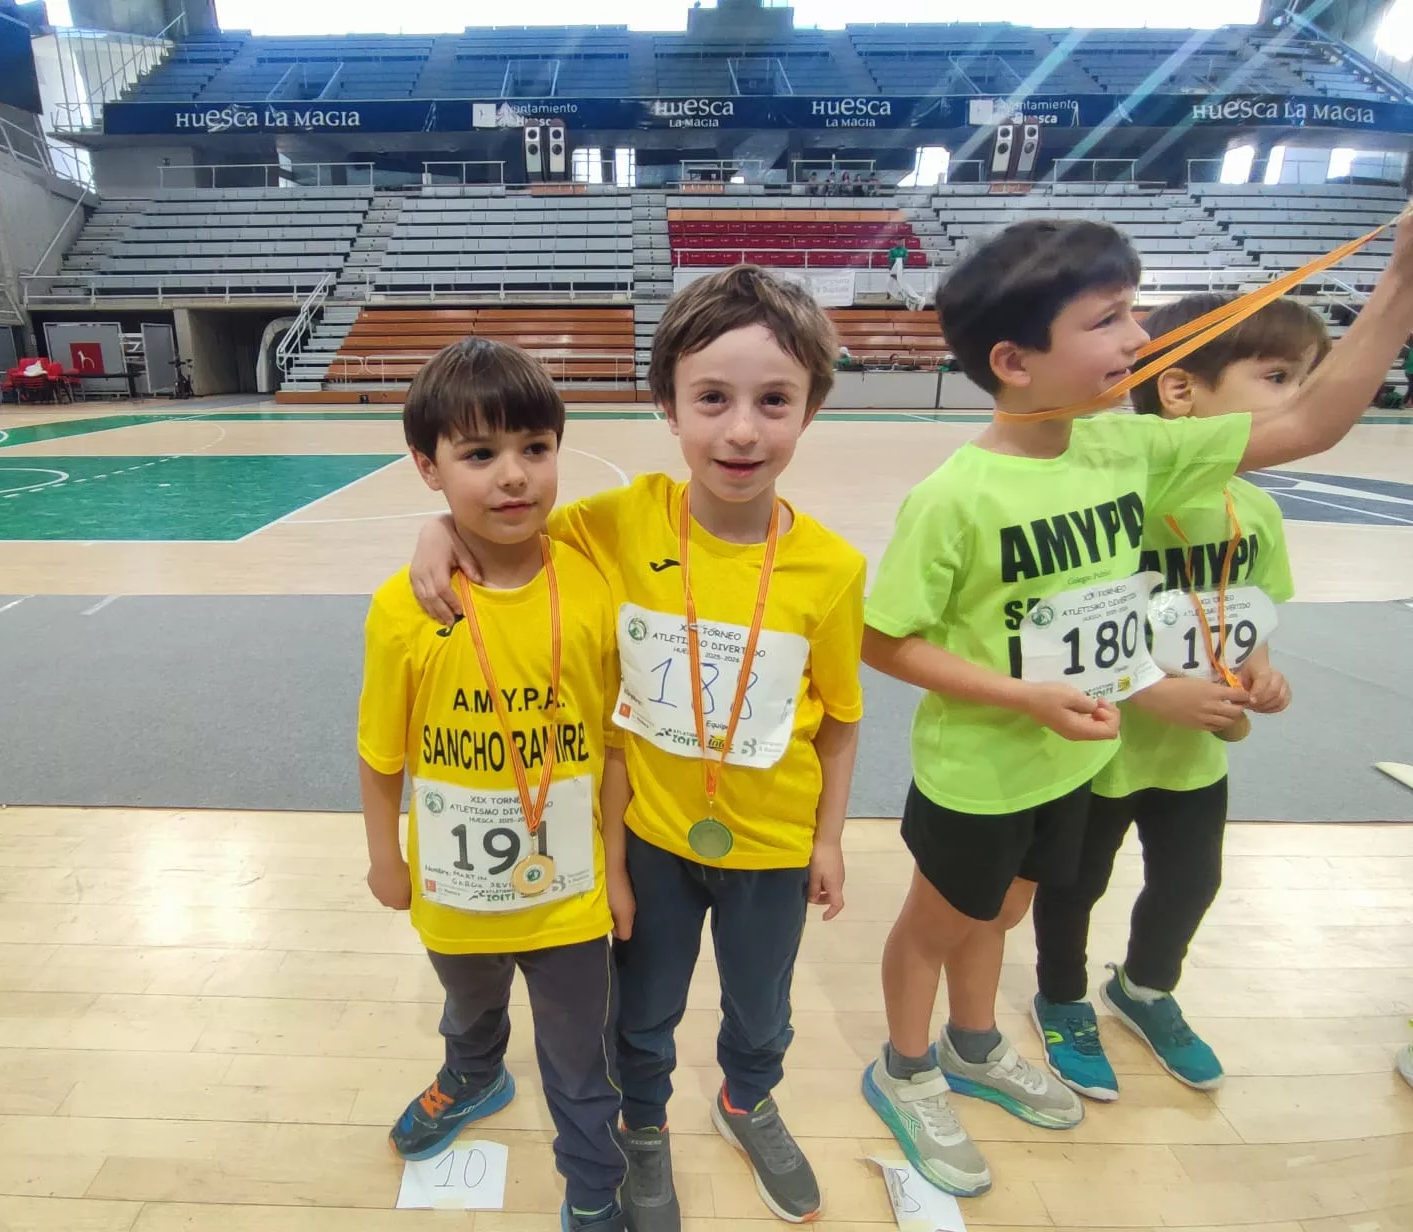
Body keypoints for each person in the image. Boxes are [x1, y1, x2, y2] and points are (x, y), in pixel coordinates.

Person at [858, 215, 1413, 1198]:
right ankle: (902, 1068)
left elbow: (1312, 423)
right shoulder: (954, 495)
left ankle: (974, 1042)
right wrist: (1020, 692)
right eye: (1109, 317)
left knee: (1009, 906)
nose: (1136, 335)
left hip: (1075, 759)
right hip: (982, 772)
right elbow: (882, 637)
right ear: (1012, 360)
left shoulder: (1127, 449)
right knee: (938, 921)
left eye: (1135, 308)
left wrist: (1398, 278)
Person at [406, 265, 867, 1229]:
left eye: (774, 401)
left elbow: (845, 716)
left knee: (763, 1006)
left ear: (811, 407)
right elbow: (504, 523)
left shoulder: (831, 567)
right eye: (712, 399)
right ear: (668, 404)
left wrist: (827, 839)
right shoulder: (617, 522)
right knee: (642, 1014)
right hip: (652, 836)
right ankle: (644, 1127)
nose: (742, 430)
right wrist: (434, 531)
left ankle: (748, 1098)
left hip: (775, 846)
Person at [357, 338, 627, 1232]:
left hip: (570, 894)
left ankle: (592, 1186)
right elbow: (381, 751)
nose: (514, 477)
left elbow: (614, 747)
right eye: (479, 455)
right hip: (453, 887)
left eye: (535, 449)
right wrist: (382, 858)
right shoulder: (406, 606)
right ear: (427, 469)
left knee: (580, 1057)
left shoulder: (592, 584)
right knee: (469, 1004)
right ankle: (473, 1074)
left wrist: (618, 870)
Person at [1031, 293, 1325, 1102]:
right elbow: (1063, 633)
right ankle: (1060, 998)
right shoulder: (1109, 509)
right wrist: (1150, 692)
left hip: (1193, 758)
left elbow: (1248, 615)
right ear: (1180, 390)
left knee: (1191, 882)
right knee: (1074, 885)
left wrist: (1263, 673)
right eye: (1276, 376)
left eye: (1304, 378)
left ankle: (1145, 990)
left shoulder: (1255, 509)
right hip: (1095, 748)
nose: (1297, 400)